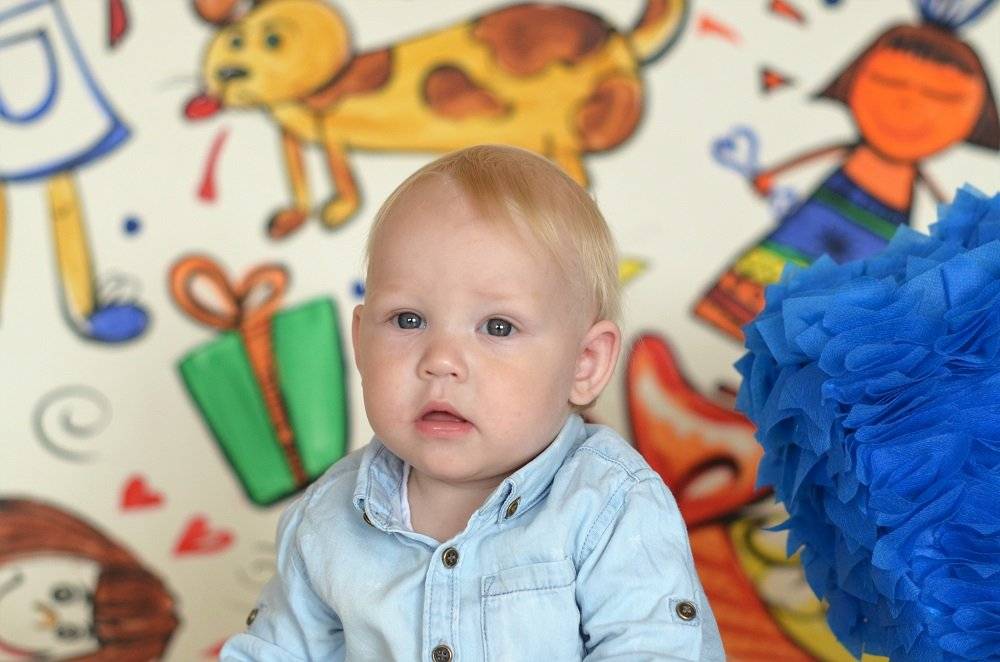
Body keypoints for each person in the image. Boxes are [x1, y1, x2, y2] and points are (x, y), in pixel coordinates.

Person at [221, 144, 724, 661]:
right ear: (361, 343)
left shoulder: (609, 506)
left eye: (497, 327)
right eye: (408, 320)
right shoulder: (329, 518)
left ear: (584, 364)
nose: (441, 360)